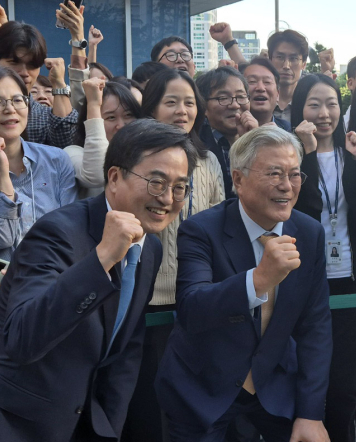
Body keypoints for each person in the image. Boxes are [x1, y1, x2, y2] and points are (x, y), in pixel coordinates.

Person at [0, 119, 198, 441]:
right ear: (114, 177)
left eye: (180, 186)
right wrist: (101, 260)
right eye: (156, 182)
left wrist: (109, 426)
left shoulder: (149, 246)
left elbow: (125, 351)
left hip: (78, 422)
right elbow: (23, 337)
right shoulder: (58, 231)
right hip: (3, 419)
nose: (168, 198)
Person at [155, 125, 332, 442]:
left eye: (294, 174)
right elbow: (193, 308)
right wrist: (260, 279)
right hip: (203, 388)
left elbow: (315, 327)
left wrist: (310, 413)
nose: (287, 186)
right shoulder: (201, 230)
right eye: (274, 174)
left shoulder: (309, 233)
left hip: (275, 386)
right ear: (238, 179)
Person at [122, 68, 225, 442]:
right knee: (149, 407)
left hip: (199, 300)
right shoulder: (136, 161)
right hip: (148, 300)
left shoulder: (210, 161)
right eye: (171, 102)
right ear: (151, 108)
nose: (182, 110)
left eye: (189, 103)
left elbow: (219, 228)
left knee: (194, 408)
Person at [0, 64, 78, 336]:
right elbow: (0, 239)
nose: (10, 109)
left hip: (50, 287)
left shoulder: (55, 160)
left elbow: (71, 231)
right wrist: (1, 172)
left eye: (18, 100)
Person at [290, 73, 356, 442]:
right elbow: (302, 212)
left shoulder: (354, 150)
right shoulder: (288, 154)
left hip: (350, 279)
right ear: (299, 109)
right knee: (306, 375)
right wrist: (305, 154)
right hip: (304, 279)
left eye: (332, 104)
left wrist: (355, 161)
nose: (325, 113)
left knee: (346, 384)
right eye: (315, 104)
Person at [0, 20, 78, 148]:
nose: (24, 73)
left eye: (32, 65)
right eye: (14, 63)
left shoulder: (43, 116)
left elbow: (67, 144)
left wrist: (59, 83)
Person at [64, 79, 142, 199]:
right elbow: (98, 175)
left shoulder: (147, 155)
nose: (120, 125)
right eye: (111, 117)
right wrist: (94, 104)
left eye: (128, 115)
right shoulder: (73, 153)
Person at [196, 66, 258, 198]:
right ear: (203, 106)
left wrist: (253, 140)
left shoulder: (259, 136)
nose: (235, 105)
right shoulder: (195, 145)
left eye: (241, 97)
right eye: (223, 98)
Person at [267, 29, 309, 123]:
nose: (286, 65)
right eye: (280, 57)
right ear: (270, 60)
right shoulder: (259, 102)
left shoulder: (309, 104)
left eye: (293, 58)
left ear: (304, 64)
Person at [243, 57, 291, 131]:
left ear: (278, 94)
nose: (260, 88)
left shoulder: (289, 131)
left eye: (267, 82)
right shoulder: (230, 131)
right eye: (252, 81)